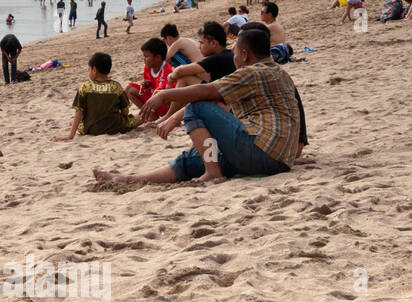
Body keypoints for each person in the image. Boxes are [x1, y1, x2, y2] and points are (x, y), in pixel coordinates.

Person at [94, 26, 300, 184]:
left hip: (260, 151)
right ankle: (131, 179)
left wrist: (165, 95)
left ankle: (212, 173)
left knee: (195, 106)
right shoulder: (279, 72)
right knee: (199, 156)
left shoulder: (252, 72)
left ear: (245, 55)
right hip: (279, 159)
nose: (233, 55)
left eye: (236, 51)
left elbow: (207, 92)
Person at [153, 20, 235, 139]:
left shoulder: (217, 59)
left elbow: (180, 70)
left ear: (214, 43)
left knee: (184, 78)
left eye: (202, 43)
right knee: (185, 81)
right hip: (222, 97)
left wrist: (170, 78)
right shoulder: (226, 55)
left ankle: (170, 117)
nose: (199, 46)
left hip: (223, 105)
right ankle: (170, 116)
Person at [54, 52, 134, 140]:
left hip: (90, 129)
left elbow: (79, 112)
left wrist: (70, 136)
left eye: (89, 69)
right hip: (114, 127)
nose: (88, 72)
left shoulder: (85, 87)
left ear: (94, 70)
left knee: (74, 122)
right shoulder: (116, 87)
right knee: (137, 118)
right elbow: (125, 111)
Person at [124, 38, 174, 114]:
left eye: (147, 57)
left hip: (162, 103)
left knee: (167, 89)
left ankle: (168, 115)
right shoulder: (148, 67)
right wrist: (146, 84)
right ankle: (149, 115)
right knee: (129, 88)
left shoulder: (167, 69)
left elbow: (163, 90)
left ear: (158, 57)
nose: (144, 59)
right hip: (153, 99)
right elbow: (149, 85)